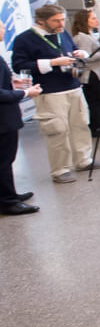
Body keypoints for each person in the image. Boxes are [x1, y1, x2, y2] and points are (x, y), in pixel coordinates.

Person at [0, 23, 43, 214]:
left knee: (6, 159)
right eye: (1, 27)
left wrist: (12, 83)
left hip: (6, 118)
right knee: (3, 161)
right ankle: (8, 202)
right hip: (2, 120)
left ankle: (9, 194)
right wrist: (26, 92)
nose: (4, 30)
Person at [70, 8, 100, 137]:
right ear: (85, 21)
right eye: (93, 18)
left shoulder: (88, 35)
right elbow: (87, 57)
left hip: (96, 72)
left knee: (97, 102)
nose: (97, 21)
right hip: (91, 74)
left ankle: (98, 127)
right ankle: (96, 129)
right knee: (94, 103)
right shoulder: (83, 38)